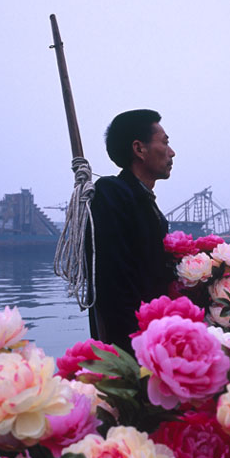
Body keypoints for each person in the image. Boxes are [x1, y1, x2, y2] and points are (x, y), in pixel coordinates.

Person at [88, 109, 176, 352]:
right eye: (165, 143)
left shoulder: (146, 204)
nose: (172, 152)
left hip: (154, 337)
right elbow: (113, 285)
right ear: (139, 149)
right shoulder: (111, 193)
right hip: (133, 345)